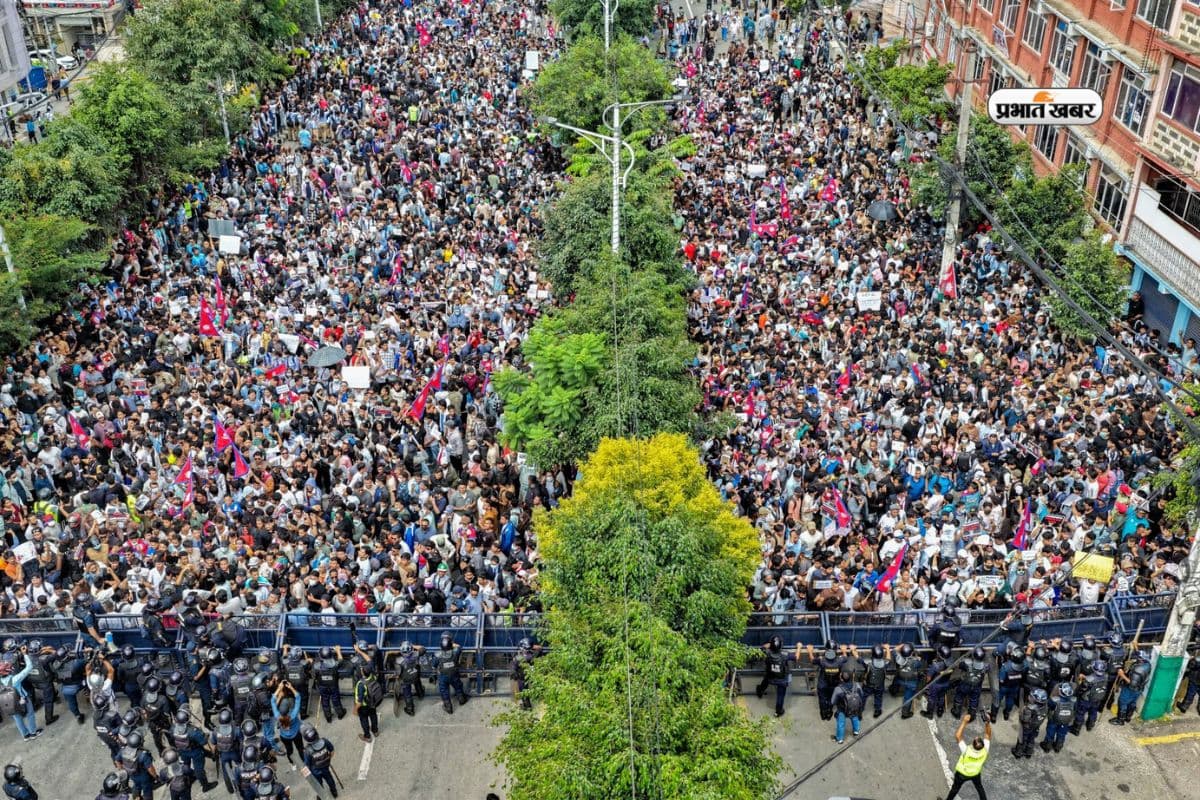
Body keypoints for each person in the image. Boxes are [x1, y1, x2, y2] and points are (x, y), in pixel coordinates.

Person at [945, 713, 991, 800]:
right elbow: (988, 735)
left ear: (973, 744)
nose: (976, 736)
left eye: (976, 738)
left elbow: (958, 736)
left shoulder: (966, 750)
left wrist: (964, 722)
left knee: (955, 789)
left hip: (962, 774)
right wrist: (987, 722)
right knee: (979, 788)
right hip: (975, 773)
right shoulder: (985, 750)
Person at [169, 708, 216, 792]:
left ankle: (189, 779)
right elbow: (204, 743)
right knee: (199, 769)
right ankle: (205, 786)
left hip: (181, 751)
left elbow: (172, 739)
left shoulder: (172, 729)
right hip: (195, 752)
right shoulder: (193, 731)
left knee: (185, 765)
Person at [0, 647, 41, 740]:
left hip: (8, 704)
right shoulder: (15, 679)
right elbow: (29, 667)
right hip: (23, 700)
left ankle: (25, 735)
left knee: (17, 719)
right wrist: (25, 654)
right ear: (7, 671)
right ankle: (33, 733)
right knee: (30, 715)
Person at [755, 636, 800, 717]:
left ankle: (760, 691)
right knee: (780, 695)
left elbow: (762, 648)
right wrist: (799, 647)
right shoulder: (785, 654)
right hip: (781, 680)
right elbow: (796, 657)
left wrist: (768, 645)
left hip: (770, 677)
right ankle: (778, 711)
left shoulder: (767, 652)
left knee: (766, 678)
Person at [1111, 650, 1151, 725]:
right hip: (1139, 689)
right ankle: (1128, 717)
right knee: (1132, 703)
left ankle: (1120, 720)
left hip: (1130, 689)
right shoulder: (1147, 664)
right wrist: (1136, 646)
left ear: (1140, 659)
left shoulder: (1138, 670)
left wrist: (1122, 674)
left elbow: (1132, 684)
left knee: (1122, 702)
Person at [115, 731, 158, 800]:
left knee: (137, 786)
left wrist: (123, 770)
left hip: (132, 775)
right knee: (147, 791)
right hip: (144, 776)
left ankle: (136, 797)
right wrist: (155, 776)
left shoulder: (123, 751)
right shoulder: (143, 755)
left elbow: (117, 760)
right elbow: (150, 769)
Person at [300, 724, 338, 799]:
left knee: (319, 784)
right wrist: (327, 759)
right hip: (326, 766)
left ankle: (320, 796)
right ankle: (334, 792)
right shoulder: (324, 741)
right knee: (329, 779)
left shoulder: (307, 751)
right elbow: (332, 751)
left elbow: (306, 765)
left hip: (315, 771)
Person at [435, 633, 469, 714]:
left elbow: (434, 664)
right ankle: (462, 700)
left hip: (443, 676)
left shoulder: (437, 655)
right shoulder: (455, 652)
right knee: (458, 686)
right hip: (454, 674)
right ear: (451, 644)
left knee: (444, 691)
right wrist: (451, 642)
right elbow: (459, 647)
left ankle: (448, 708)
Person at [829, 669, 865, 743]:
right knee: (855, 718)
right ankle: (856, 731)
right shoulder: (857, 685)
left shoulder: (838, 689)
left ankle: (840, 739)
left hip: (842, 709)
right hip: (854, 707)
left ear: (841, 678)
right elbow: (862, 694)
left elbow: (832, 702)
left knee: (841, 723)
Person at [313, 647, 347, 723]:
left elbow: (314, 674)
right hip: (333, 686)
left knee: (325, 701)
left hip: (322, 686)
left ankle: (328, 718)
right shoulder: (335, 664)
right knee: (336, 700)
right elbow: (341, 660)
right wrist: (338, 651)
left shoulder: (316, 666)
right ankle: (340, 714)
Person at [1041, 682, 1076, 753]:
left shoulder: (1054, 700)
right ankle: (1058, 747)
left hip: (1054, 719)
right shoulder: (1074, 700)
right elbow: (1075, 709)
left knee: (1050, 732)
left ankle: (1047, 746)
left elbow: (1049, 705)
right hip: (1066, 720)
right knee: (1062, 733)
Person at [392, 641, 425, 717]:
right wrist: (414, 646)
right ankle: (421, 695)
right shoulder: (415, 654)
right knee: (418, 683)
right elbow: (423, 649)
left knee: (407, 694)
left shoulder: (398, 660)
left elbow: (398, 674)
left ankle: (410, 709)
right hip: (415, 675)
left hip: (406, 679)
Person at [353, 663, 383, 742]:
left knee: (364, 720)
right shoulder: (373, 677)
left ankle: (367, 736)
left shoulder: (361, 684)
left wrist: (355, 710)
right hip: (372, 703)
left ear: (363, 672)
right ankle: (375, 731)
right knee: (373, 716)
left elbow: (359, 701)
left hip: (364, 706)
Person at [891, 643, 922, 719]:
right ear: (911, 653)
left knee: (896, 678)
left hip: (900, 678)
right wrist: (918, 657)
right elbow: (919, 664)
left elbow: (894, 650)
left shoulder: (898, 658)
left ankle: (893, 690)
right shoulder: (916, 662)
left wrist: (902, 645)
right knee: (908, 698)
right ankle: (905, 714)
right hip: (910, 682)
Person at [862, 643, 889, 718]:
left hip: (868, 684)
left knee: (863, 696)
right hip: (879, 685)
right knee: (878, 696)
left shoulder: (868, 663)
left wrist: (853, 650)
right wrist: (887, 648)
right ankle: (877, 710)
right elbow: (888, 659)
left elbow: (858, 659)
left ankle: (860, 710)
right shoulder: (885, 663)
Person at [1175, 649, 1200, 715]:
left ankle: (1184, 706)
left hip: (1195, 677)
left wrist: (1191, 659)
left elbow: (1194, 665)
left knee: (1190, 693)